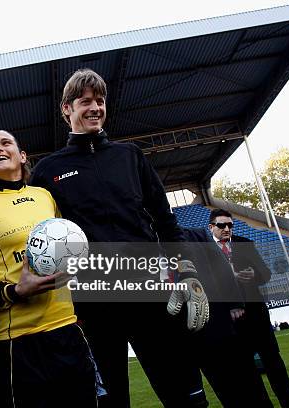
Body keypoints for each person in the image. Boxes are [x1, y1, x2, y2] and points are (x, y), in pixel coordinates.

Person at [29, 68, 209, 407]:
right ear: (67, 109)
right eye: (85, 102)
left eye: (100, 101)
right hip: (94, 303)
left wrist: (187, 272)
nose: (95, 108)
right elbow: (45, 241)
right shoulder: (48, 170)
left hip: (149, 291)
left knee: (185, 395)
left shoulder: (130, 156)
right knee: (110, 402)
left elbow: (166, 221)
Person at [0, 130, 100, 407]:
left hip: (67, 330)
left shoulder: (44, 197)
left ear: (22, 156)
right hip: (17, 341)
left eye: (5, 143)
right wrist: (15, 291)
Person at [207, 208, 289, 408]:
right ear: (211, 227)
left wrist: (252, 274)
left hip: (258, 317)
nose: (227, 229)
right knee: (248, 374)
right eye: (222, 225)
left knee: (275, 365)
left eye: (230, 225)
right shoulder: (205, 252)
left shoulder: (244, 244)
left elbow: (265, 274)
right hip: (233, 324)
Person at [183, 224, 274, 407]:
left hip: (215, 323)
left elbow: (221, 266)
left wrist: (234, 303)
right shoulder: (135, 243)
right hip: (177, 329)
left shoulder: (196, 235)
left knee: (246, 386)